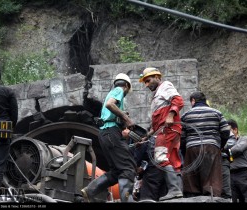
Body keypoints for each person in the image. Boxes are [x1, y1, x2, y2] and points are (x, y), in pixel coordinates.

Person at [81, 73, 136, 202]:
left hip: (105, 134)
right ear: (127, 85)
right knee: (127, 167)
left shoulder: (111, 93)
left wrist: (121, 117)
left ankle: (89, 191)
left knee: (117, 171)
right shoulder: (119, 90)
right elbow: (110, 104)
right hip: (111, 132)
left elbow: (109, 111)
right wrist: (126, 118)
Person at [138, 67, 184, 201]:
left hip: (167, 130)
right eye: (145, 82)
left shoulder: (165, 86)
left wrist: (171, 115)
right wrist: (147, 136)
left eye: (148, 80)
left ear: (157, 77)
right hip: (167, 130)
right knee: (174, 161)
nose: (147, 85)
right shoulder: (157, 94)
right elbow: (157, 123)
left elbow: (178, 100)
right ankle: (178, 192)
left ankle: (174, 190)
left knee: (160, 158)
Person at [180, 91, 230, 198]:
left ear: (193, 100)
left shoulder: (186, 115)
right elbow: (226, 131)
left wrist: (185, 151)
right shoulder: (217, 113)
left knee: (191, 176)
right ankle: (210, 195)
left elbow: (182, 136)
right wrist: (219, 145)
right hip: (211, 147)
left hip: (192, 147)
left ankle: (192, 195)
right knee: (212, 175)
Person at [226, 119, 247, 202]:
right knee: (235, 199)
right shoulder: (227, 143)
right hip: (231, 174)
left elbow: (237, 149)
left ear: (235, 130)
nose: (228, 133)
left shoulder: (244, 139)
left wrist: (227, 151)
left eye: (229, 131)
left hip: (243, 173)